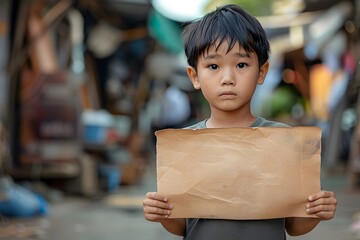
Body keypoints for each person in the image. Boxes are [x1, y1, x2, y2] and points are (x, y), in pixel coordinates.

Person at [143, 4, 337, 239]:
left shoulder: (284, 141)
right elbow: (183, 226)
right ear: (194, 76)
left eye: (241, 65)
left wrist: (316, 211)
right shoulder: (185, 145)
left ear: (262, 72)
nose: (228, 78)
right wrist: (163, 213)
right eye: (213, 66)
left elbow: (294, 227)